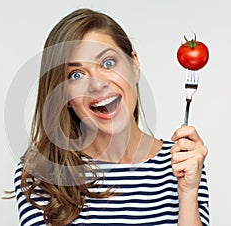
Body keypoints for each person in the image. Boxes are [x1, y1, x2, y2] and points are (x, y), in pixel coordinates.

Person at [14, 8, 209, 226]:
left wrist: (188, 192)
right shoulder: (43, 176)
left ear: (134, 65)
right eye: (76, 75)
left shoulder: (182, 162)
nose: (97, 84)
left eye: (108, 63)